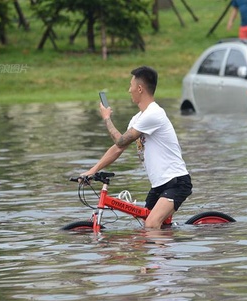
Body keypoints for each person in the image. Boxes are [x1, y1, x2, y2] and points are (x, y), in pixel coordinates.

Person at [80, 66, 192, 229]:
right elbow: (118, 146)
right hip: (158, 185)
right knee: (148, 227)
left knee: (151, 225)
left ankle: (168, 253)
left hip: (176, 182)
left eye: (130, 86)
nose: (129, 90)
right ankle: (167, 251)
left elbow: (120, 143)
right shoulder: (137, 119)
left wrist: (106, 119)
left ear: (139, 88)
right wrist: (92, 170)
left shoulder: (154, 114)